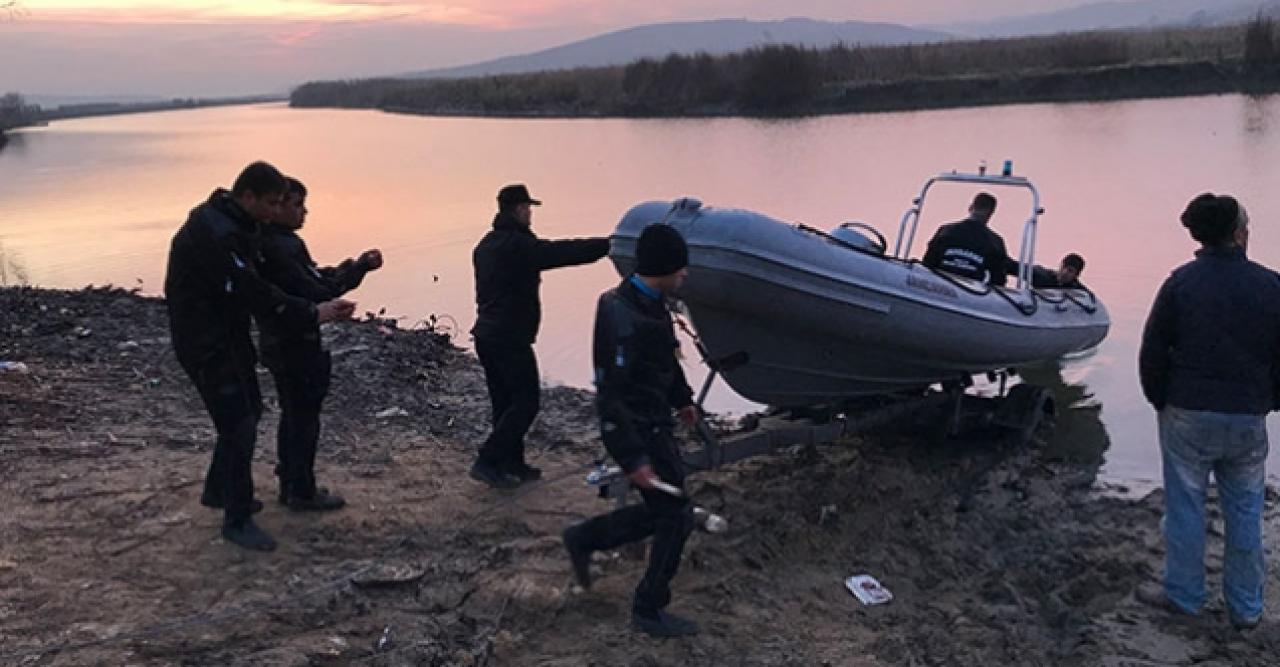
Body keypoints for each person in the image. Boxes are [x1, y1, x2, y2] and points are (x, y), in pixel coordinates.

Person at [164, 161, 354, 551]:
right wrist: (312, 312)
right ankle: (237, 519)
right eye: (270, 203)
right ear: (247, 196)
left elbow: (263, 284)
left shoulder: (238, 224)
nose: (274, 213)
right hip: (204, 340)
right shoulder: (214, 234)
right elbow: (254, 291)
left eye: (280, 203)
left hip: (229, 335)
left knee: (248, 410)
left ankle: (219, 490)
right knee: (239, 424)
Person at [1137, 193, 1280, 630]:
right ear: (1238, 234)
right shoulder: (1271, 284)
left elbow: (1153, 350)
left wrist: (1160, 398)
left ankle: (1184, 595)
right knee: (1246, 511)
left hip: (1187, 410)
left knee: (1185, 507)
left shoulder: (1181, 282)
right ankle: (1247, 608)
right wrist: (1270, 399)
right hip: (1245, 415)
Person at [562, 223, 702, 638]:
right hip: (639, 430)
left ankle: (584, 538)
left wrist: (682, 399)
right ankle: (648, 606)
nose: (686, 274)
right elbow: (611, 394)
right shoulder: (619, 312)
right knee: (677, 516)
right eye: (681, 267)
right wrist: (632, 457)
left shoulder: (654, 302)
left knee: (667, 510)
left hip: (658, 421)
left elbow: (666, 360)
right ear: (662, 267)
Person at [469, 184, 610, 489]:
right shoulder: (517, 246)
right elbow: (559, 252)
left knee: (505, 404)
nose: (531, 213)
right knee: (526, 402)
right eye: (528, 208)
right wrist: (606, 246)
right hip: (508, 337)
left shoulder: (486, 245)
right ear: (519, 210)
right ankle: (487, 460)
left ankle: (512, 463)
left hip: (487, 335)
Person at [257, 176, 383, 511]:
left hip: (279, 341)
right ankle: (301, 490)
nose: (304, 212)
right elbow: (316, 289)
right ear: (277, 205)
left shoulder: (275, 242)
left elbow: (314, 279)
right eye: (297, 205)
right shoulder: (279, 246)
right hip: (293, 343)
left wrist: (355, 267)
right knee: (303, 416)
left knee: (294, 414)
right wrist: (357, 272)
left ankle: (291, 482)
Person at [922, 192, 1018, 286]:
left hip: (937, 285)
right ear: (990, 213)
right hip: (970, 291)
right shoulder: (995, 242)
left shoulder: (945, 230)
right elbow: (998, 280)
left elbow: (927, 263)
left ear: (970, 208)